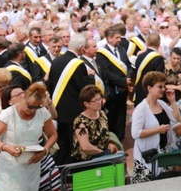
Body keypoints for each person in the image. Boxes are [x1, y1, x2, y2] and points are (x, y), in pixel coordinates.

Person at [0, 83, 58, 191]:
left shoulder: (42, 112)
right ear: (23, 98)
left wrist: (45, 150)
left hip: (31, 166)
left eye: (37, 107)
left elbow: (53, 135)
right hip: (9, 168)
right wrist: (6, 147)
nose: (33, 110)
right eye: (30, 106)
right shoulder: (8, 114)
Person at [47, 32, 94, 165]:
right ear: (82, 49)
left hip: (57, 109)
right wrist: (91, 77)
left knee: (62, 144)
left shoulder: (56, 60)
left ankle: (59, 171)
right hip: (73, 110)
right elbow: (85, 88)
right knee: (73, 144)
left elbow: (50, 83)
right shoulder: (78, 64)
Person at [131, 71, 178, 183]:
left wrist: (172, 101)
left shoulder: (162, 104)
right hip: (146, 157)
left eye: (164, 86)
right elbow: (135, 133)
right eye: (159, 86)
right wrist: (158, 130)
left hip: (163, 153)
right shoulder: (141, 109)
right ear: (149, 88)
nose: (163, 89)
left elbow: (176, 118)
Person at [96, 26, 131, 141]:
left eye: (120, 37)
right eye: (117, 38)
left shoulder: (122, 50)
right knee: (111, 118)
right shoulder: (102, 53)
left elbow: (129, 66)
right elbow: (106, 73)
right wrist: (122, 81)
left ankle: (120, 140)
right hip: (111, 91)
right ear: (109, 38)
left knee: (121, 117)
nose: (119, 40)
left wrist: (129, 78)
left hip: (123, 90)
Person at [71, 85, 119, 162]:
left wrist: (110, 144)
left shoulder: (102, 114)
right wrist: (104, 153)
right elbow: (85, 147)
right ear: (86, 104)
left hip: (104, 158)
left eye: (100, 99)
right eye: (95, 100)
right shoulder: (80, 121)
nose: (99, 102)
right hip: (87, 162)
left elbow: (105, 135)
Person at [133, 33, 165, 105]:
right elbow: (160, 78)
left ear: (146, 43)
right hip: (151, 94)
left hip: (139, 92)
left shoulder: (140, 56)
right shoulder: (158, 58)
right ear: (159, 44)